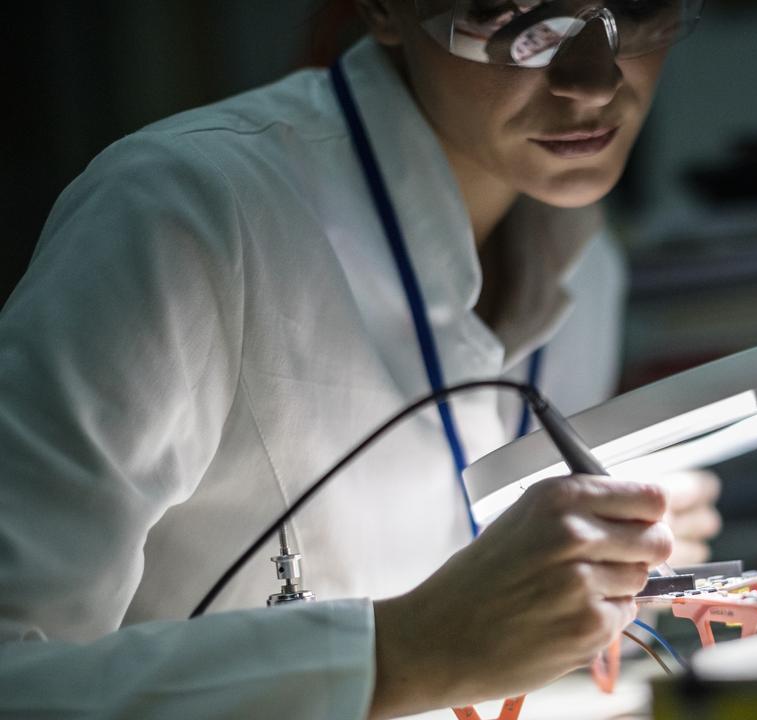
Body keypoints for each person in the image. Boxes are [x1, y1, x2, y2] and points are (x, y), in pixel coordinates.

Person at [0, 1, 719, 717]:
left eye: (638, 6)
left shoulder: (586, 263)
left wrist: (592, 570)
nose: (592, 80)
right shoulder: (181, 213)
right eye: (512, 13)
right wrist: (401, 655)